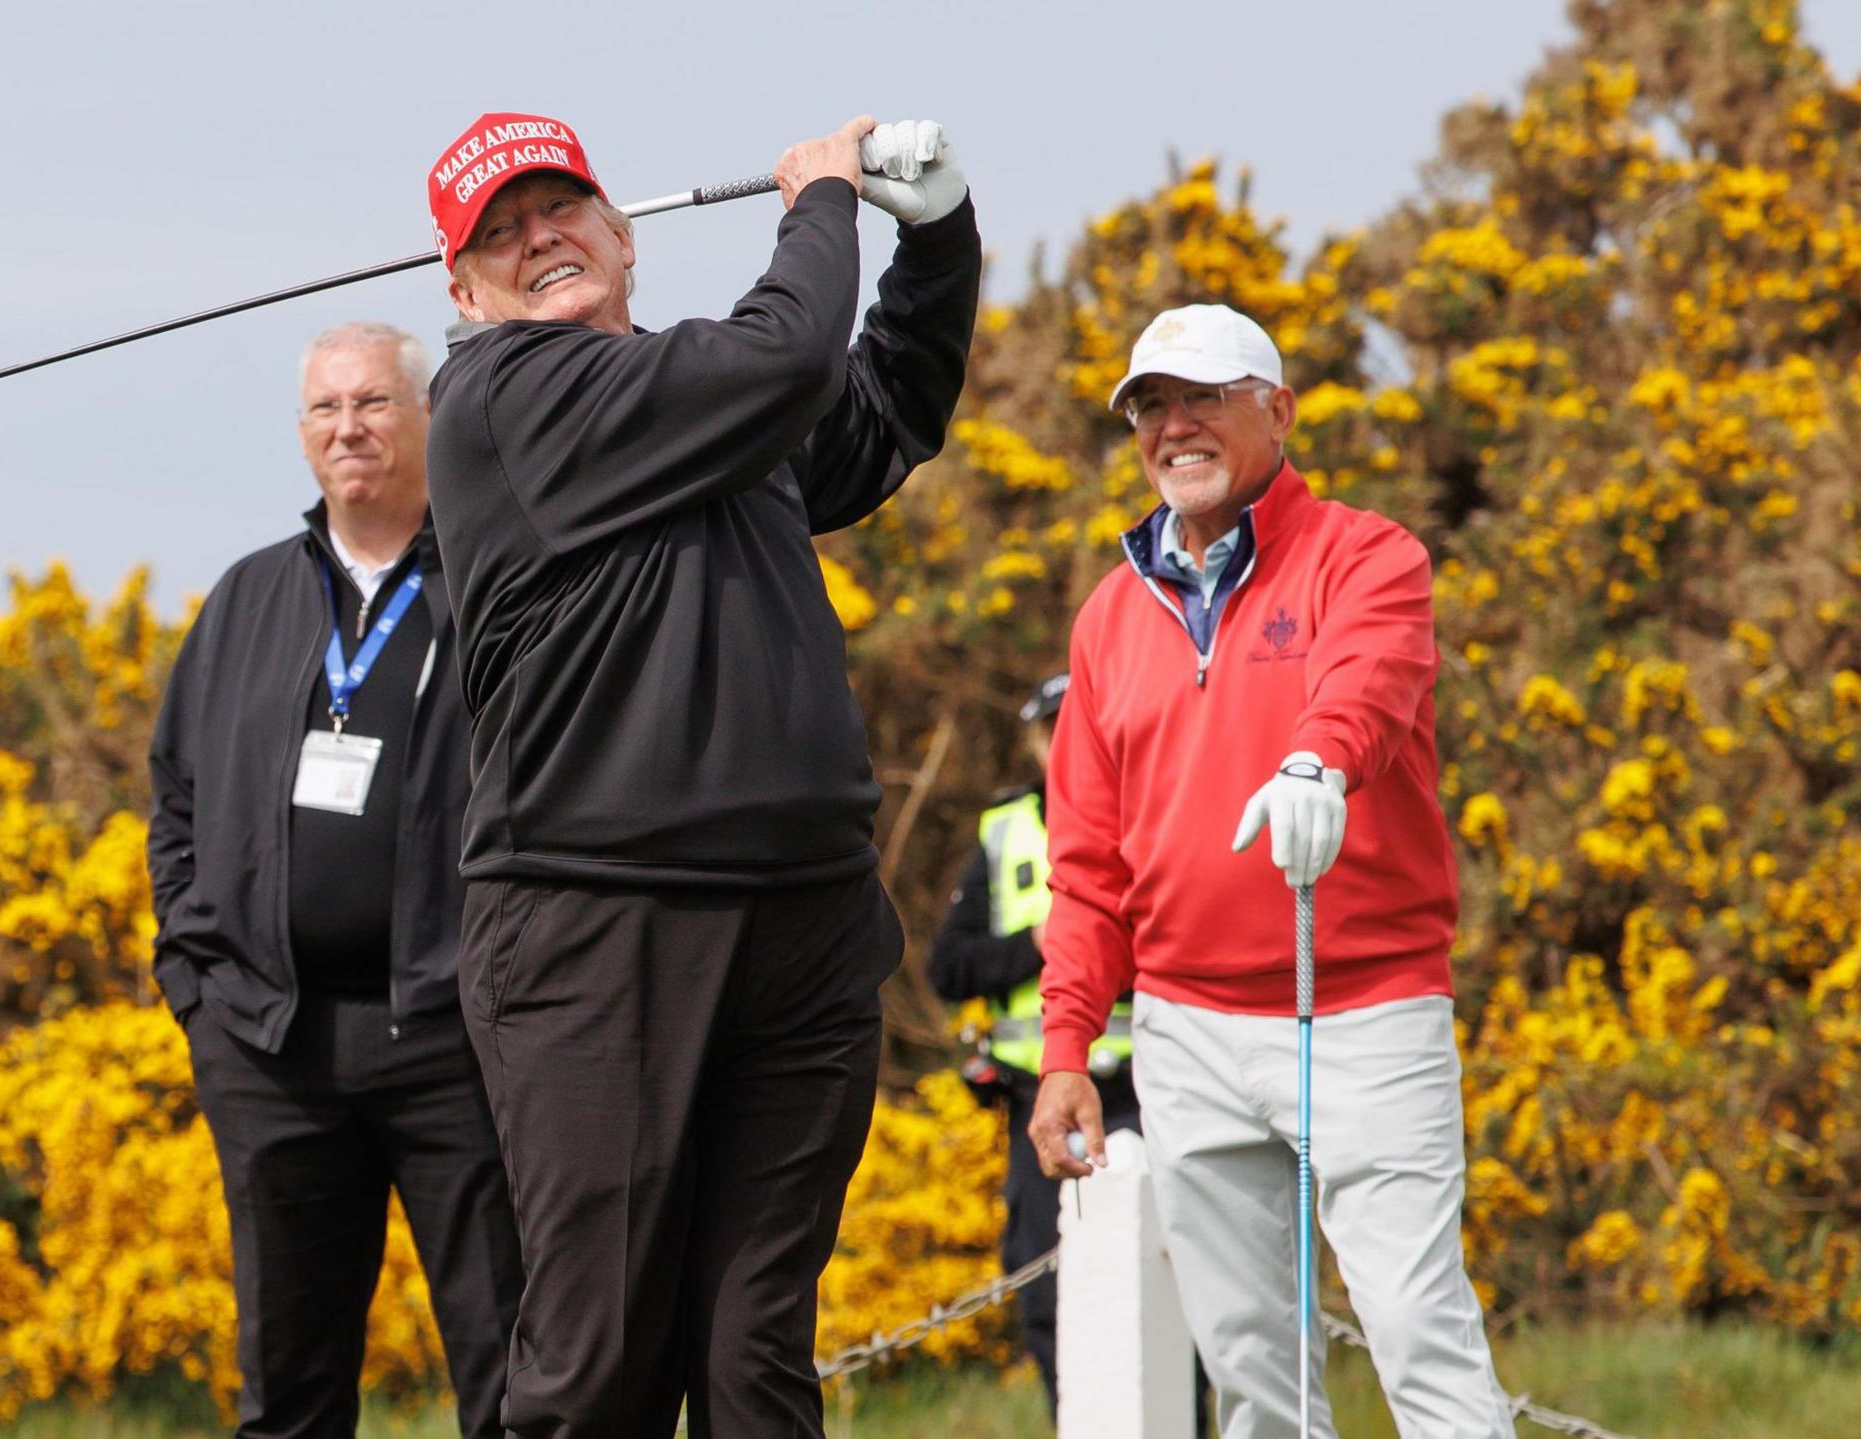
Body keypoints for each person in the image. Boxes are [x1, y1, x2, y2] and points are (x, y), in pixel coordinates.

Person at [420, 113, 979, 1437]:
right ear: (465, 294)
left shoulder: (717, 404)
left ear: (620, 236)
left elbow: (889, 399)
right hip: (598, 927)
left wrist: (938, 236)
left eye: (559, 211)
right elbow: (787, 350)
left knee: (753, 1358)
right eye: (499, 235)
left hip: (800, 922)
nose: (536, 240)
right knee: (598, 1362)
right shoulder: (501, 399)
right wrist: (821, 201)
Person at [1030, 303, 1518, 1437]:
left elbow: (1371, 681)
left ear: (1278, 412)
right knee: (1255, 1375)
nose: (1174, 426)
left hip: (1364, 1009)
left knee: (1414, 1332)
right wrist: (1066, 1047)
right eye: (1151, 405)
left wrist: (1316, 763)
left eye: (1203, 398)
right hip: (1185, 1029)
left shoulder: (1366, 553)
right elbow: (1087, 858)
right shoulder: (1110, 616)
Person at [146, 322, 522, 1439]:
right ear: (302, 434)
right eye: (324, 408)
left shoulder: (491, 586)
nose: (348, 426)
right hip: (272, 1045)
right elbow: (174, 794)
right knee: (289, 1385)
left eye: (372, 402)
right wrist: (196, 981)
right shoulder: (248, 597)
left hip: (453, 1041)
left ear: (423, 417)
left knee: (510, 1373)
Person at [927, 672, 1139, 1420]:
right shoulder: (1005, 828)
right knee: (1042, 1288)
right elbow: (947, 966)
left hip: (1146, 1090)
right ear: (1035, 739)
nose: (1065, 741)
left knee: (1173, 1284)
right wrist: (1040, 945)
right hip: (1039, 1098)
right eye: (1052, 728)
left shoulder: (1144, 802)